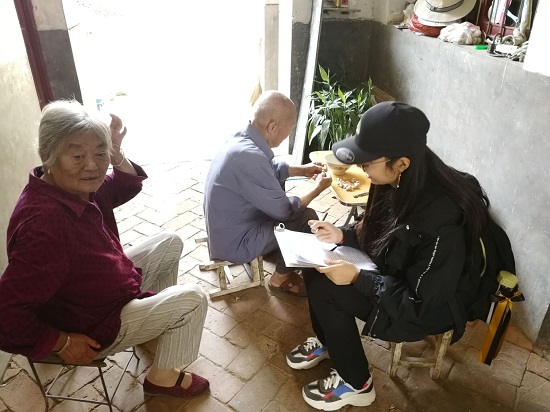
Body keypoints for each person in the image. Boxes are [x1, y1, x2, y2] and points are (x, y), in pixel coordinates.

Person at [285, 101, 492, 411]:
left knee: (331, 290)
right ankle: (330, 342)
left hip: (427, 305)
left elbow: (419, 301)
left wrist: (358, 278)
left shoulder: (443, 220)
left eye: (368, 162)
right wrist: (342, 235)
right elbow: (376, 232)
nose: (362, 169)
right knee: (316, 265)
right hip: (393, 275)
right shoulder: (393, 180)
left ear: (402, 163)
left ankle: (357, 383)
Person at [0, 100, 209, 399]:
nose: (92, 165)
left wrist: (116, 151)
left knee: (169, 242)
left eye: (100, 153)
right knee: (194, 300)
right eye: (77, 155)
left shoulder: (69, 186)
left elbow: (126, 184)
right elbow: (6, 315)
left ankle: (155, 329)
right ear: (49, 156)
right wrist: (62, 342)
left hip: (105, 291)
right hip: (94, 323)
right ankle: (162, 379)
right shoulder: (45, 225)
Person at [204, 91, 332, 297]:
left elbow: (269, 169)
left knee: (282, 190)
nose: (289, 134)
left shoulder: (242, 139)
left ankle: (279, 250)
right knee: (306, 218)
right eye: (289, 129)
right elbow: (286, 211)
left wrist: (303, 170)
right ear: (272, 127)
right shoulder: (249, 158)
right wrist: (318, 188)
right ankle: (279, 279)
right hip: (235, 242)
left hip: (227, 228)